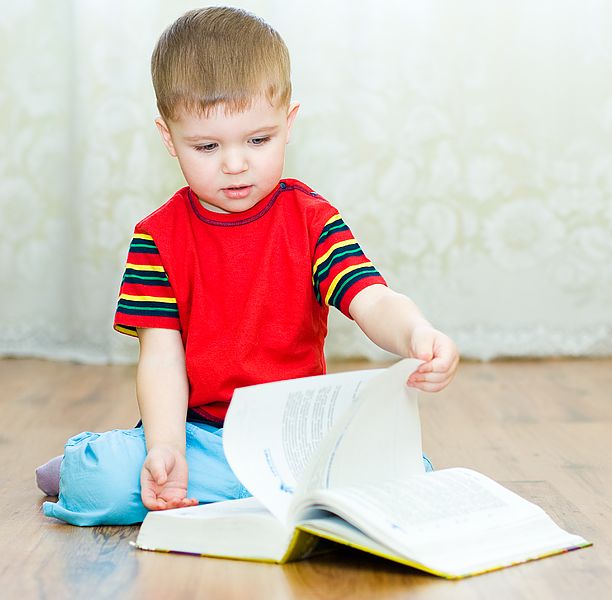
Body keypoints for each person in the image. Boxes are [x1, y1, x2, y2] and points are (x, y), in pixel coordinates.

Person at [37, 6, 459, 527]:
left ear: (289, 123)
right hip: (203, 440)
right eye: (207, 146)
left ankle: (253, 495)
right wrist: (166, 449)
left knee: (406, 475)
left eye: (258, 140)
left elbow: (371, 299)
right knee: (98, 482)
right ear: (169, 139)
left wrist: (416, 332)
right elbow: (161, 358)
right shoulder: (157, 239)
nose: (235, 164)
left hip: (297, 438)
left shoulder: (311, 221)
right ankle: (96, 463)